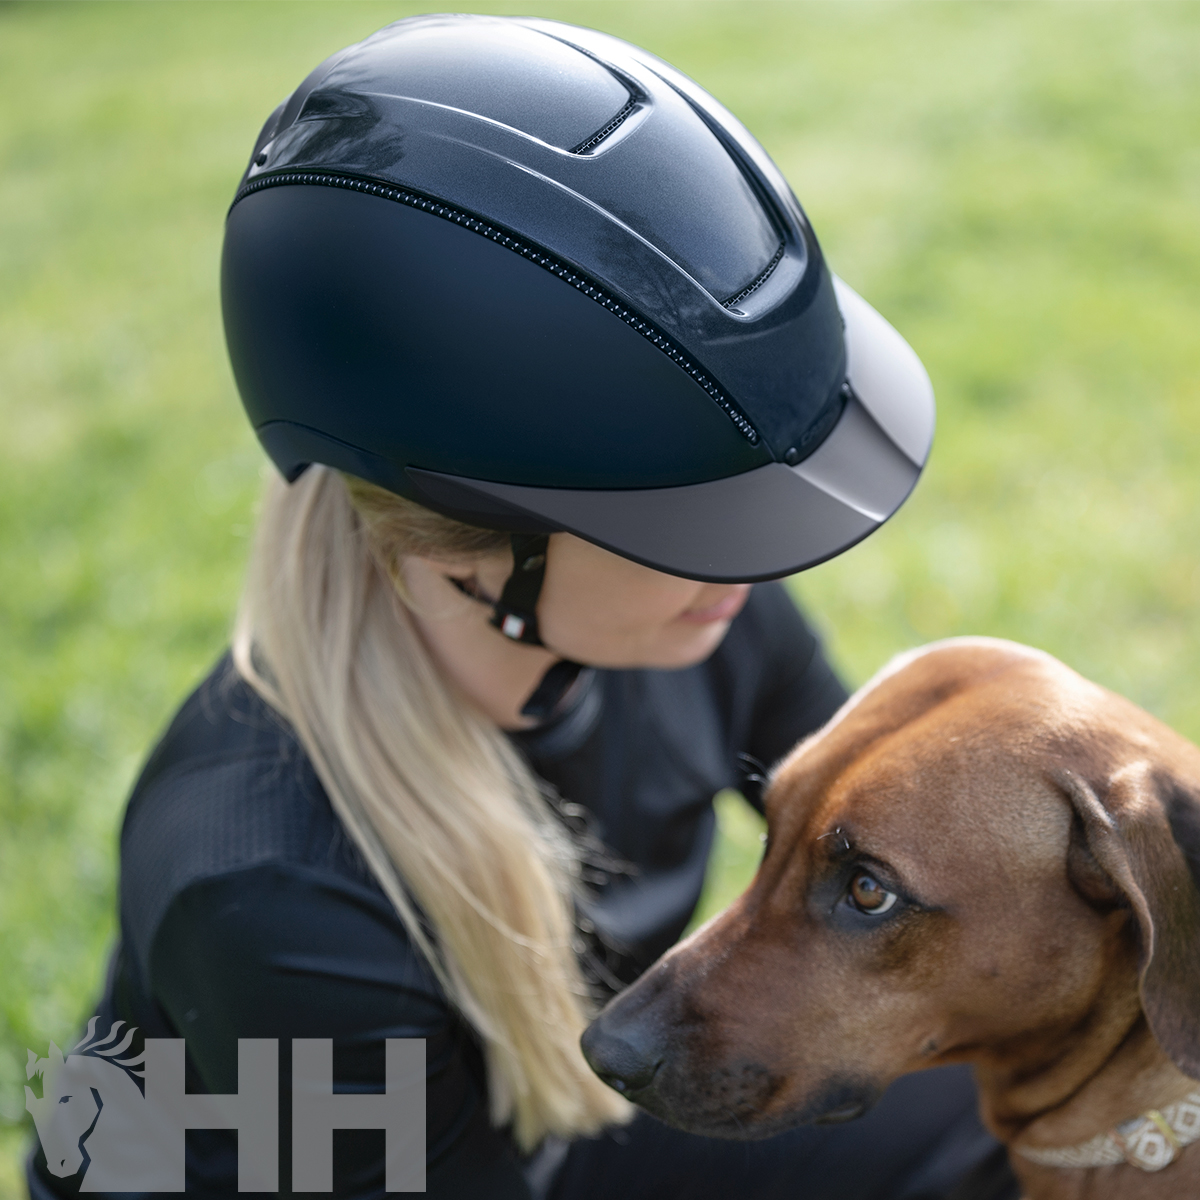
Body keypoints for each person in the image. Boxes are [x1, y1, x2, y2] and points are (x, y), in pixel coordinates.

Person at [29, 14, 1017, 1200]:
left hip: (554, 1125)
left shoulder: (694, 609)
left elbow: (887, 856)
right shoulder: (269, 889)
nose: (750, 574)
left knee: (1006, 1092)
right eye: (695, 530)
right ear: (463, 546)